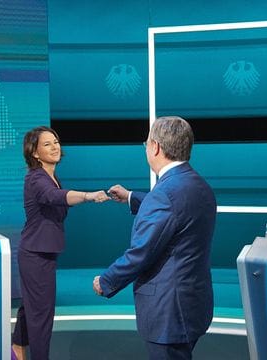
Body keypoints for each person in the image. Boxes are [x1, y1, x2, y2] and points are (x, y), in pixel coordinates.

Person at [92, 116, 217, 360]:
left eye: (146, 143)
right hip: (193, 303)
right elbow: (178, 212)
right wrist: (131, 197)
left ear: (156, 147)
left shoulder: (165, 194)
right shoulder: (199, 185)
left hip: (168, 311)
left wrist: (106, 281)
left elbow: (140, 253)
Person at [12, 126, 109, 360]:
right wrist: (88, 196)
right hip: (36, 254)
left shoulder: (51, 176)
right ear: (34, 153)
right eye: (47, 144)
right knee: (41, 316)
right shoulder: (36, 179)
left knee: (31, 308)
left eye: (56, 142)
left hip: (41, 252)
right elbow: (56, 197)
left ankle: (16, 350)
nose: (55, 147)